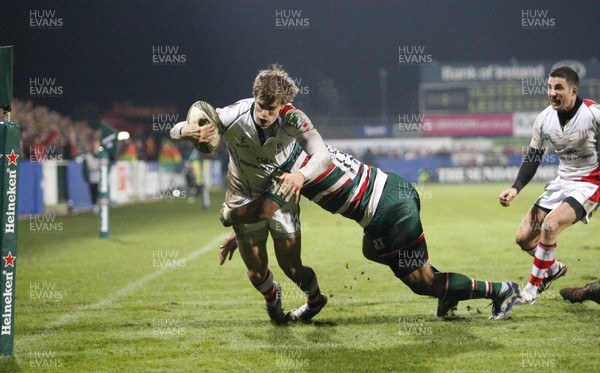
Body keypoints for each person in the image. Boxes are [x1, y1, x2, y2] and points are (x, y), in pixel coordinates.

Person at [219, 145, 521, 320]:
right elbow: (277, 204)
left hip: (388, 212)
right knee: (371, 250)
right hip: (391, 188)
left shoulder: (287, 164)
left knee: (422, 283)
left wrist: (229, 217)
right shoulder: (305, 147)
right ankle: (447, 291)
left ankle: (500, 290)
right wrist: (240, 233)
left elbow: (266, 208)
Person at [170, 64, 332, 323]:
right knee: (256, 273)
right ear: (254, 97)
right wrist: (185, 131)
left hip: (281, 195)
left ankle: (315, 299)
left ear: (284, 104)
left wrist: (301, 175)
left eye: (271, 108)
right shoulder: (234, 115)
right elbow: (179, 129)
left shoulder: (294, 119)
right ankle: (272, 298)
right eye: (260, 105)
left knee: (291, 267)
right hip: (242, 195)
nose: (264, 114)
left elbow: (322, 155)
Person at [498, 66, 600, 305]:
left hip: (590, 183)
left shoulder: (593, 114)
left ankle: (531, 291)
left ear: (573, 90)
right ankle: (553, 269)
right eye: (549, 87)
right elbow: (533, 156)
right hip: (562, 181)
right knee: (524, 237)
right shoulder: (544, 119)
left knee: (550, 225)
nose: (552, 93)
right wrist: (516, 187)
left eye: (559, 88)